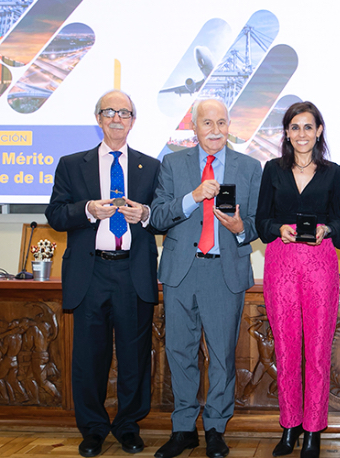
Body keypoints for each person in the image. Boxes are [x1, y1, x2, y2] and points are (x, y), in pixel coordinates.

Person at [45, 90, 160, 457]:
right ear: (98, 119)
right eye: (109, 112)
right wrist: (89, 210)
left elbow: (165, 216)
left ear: (132, 121)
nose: (116, 118)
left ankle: (128, 426)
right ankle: (93, 429)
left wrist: (144, 215)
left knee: (134, 358)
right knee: (89, 359)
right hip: (90, 273)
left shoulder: (151, 166)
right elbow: (56, 215)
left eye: (124, 113)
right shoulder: (71, 164)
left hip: (132, 272)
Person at [150, 98, 262, 458]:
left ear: (230, 126)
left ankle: (215, 426)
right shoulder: (172, 163)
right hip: (182, 271)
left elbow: (260, 222)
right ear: (194, 128)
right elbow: (158, 216)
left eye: (222, 123)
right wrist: (194, 196)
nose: (215, 130)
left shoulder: (249, 167)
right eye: (207, 123)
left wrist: (242, 227)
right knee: (179, 351)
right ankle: (183, 428)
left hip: (224, 271)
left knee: (222, 355)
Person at [256, 102, 340, 458]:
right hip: (280, 263)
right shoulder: (272, 170)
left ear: (319, 131)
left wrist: (328, 229)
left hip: (320, 265)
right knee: (287, 349)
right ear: (286, 133)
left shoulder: (333, 172)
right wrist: (277, 228)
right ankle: (290, 426)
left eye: (308, 127)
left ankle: (313, 430)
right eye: (294, 127)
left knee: (317, 351)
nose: (301, 134)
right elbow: (260, 221)